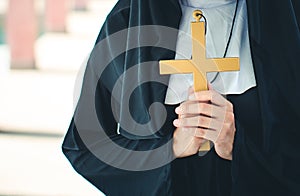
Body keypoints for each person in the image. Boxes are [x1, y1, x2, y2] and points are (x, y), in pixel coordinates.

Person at [62, 0, 300, 195]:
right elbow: (84, 149)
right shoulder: (128, 19)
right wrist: (170, 148)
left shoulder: (291, 18)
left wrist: (238, 149)